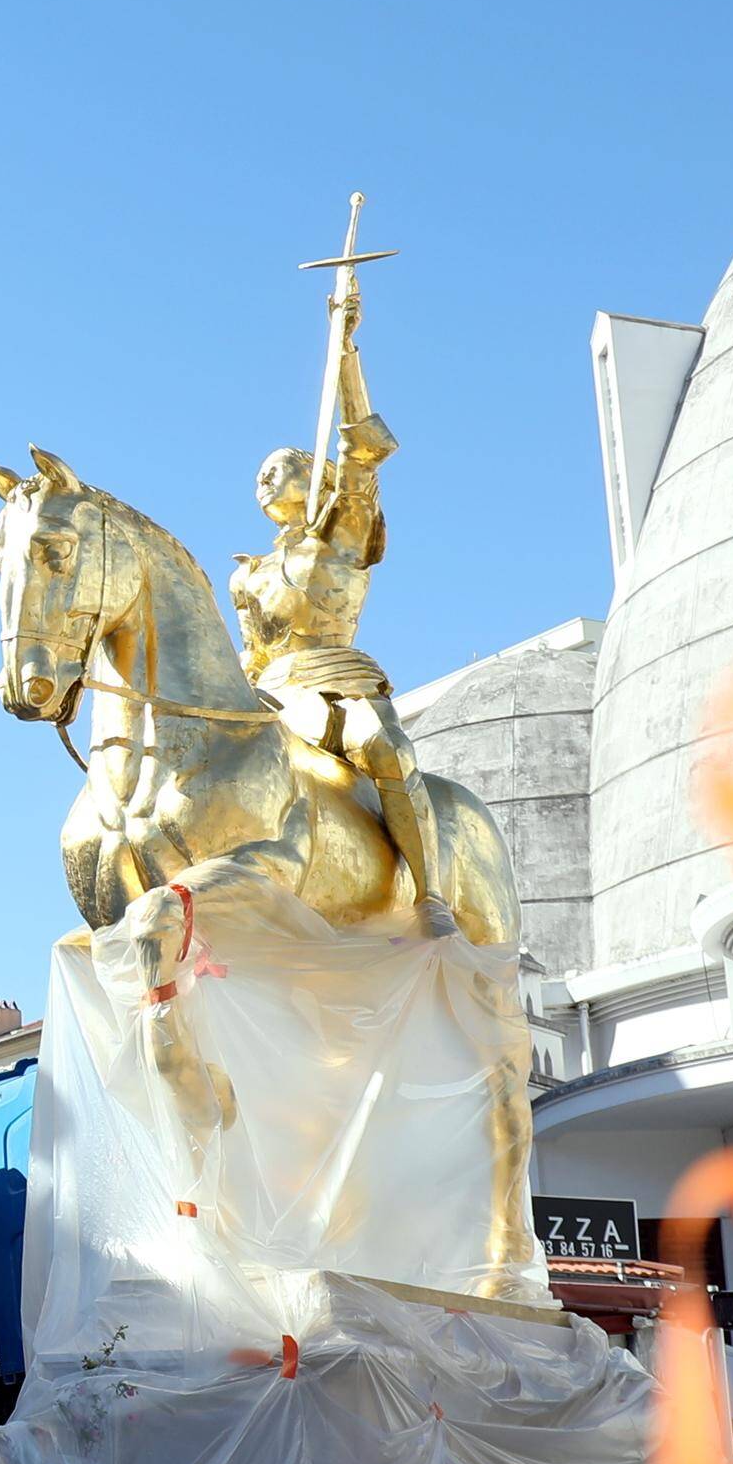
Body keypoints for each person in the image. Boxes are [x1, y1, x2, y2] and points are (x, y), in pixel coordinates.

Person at [228, 209, 454, 931]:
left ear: (312, 475)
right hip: (269, 692)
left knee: (381, 746)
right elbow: (253, 653)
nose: (266, 476)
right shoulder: (249, 574)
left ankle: (430, 894)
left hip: (334, 679)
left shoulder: (341, 532)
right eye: (259, 474)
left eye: (281, 465)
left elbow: (364, 447)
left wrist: (347, 347)